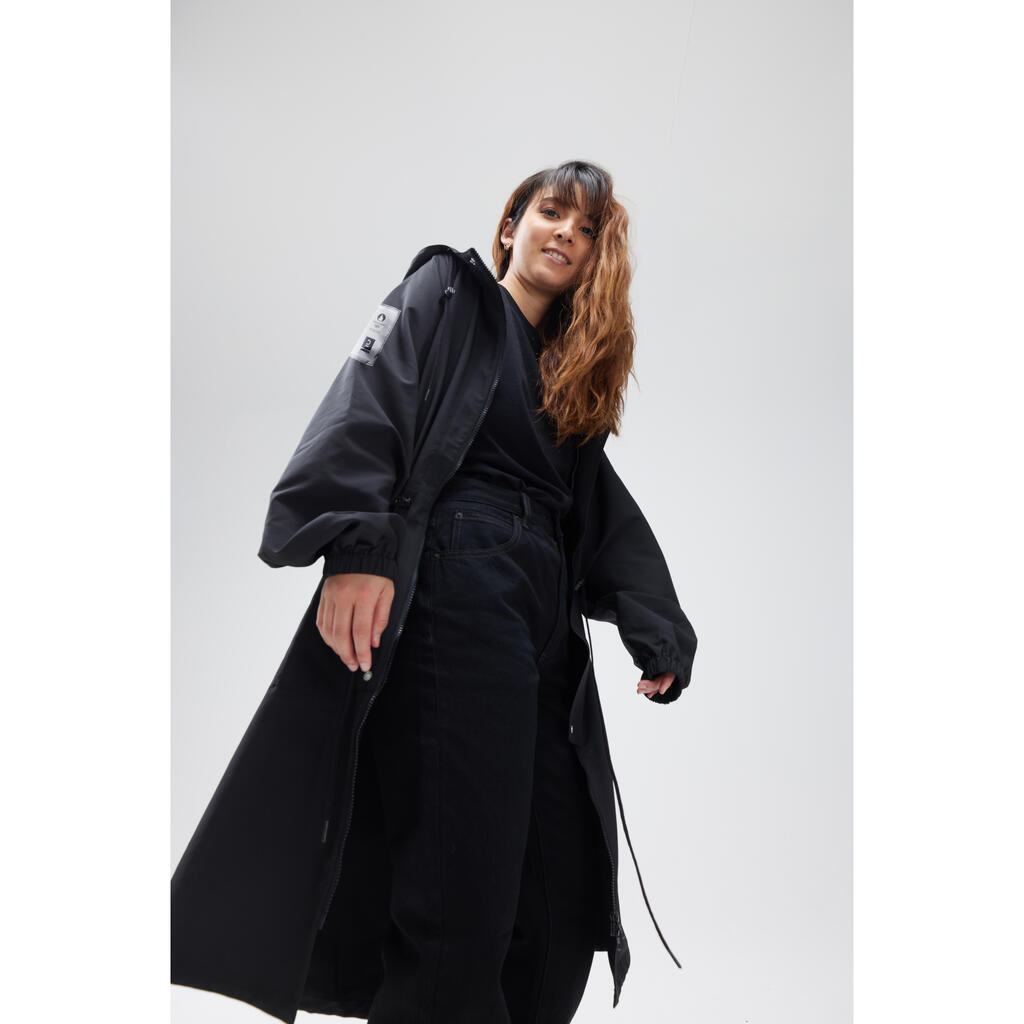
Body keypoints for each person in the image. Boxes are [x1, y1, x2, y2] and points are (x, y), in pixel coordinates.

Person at [171, 159, 698, 1024]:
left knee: (562, 897)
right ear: (510, 227)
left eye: (587, 229)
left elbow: (601, 511)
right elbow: (371, 394)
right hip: (459, 579)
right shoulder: (449, 295)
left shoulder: (567, 375)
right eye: (552, 212)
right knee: (463, 888)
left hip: (544, 613)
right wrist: (357, 547)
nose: (567, 233)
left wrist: (657, 625)